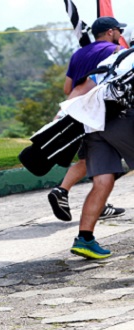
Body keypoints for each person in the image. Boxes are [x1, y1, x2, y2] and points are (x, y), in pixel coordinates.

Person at [48, 16, 126, 222]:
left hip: (76, 113)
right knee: (104, 159)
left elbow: (67, 89)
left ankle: (73, 195)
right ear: (110, 32)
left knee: (92, 159)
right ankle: (63, 191)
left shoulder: (78, 54)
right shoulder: (114, 52)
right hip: (101, 114)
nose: (121, 35)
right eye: (120, 31)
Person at [68, 46, 134, 259]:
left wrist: (59, 121)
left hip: (93, 122)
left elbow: (79, 90)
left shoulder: (116, 58)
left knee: (103, 181)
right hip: (123, 119)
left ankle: (85, 239)